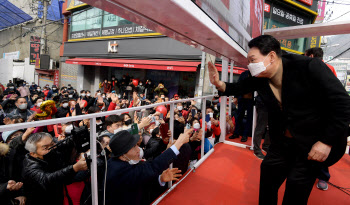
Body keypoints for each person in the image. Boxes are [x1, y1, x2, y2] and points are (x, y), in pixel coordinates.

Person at [208, 35, 350, 205]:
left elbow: (344, 104)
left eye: (252, 60)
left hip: (311, 145)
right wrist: (218, 83)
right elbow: (239, 87)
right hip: (281, 143)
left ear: (272, 56)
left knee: (295, 191)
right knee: (267, 179)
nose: (249, 65)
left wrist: (326, 142)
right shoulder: (261, 77)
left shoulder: (309, 67)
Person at [105, 129, 191, 205]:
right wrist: (179, 143)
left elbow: (140, 181)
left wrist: (160, 179)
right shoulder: (120, 171)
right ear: (123, 155)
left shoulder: (116, 163)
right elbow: (152, 166)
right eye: (134, 146)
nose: (138, 149)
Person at [23, 132, 88, 205]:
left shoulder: (51, 154)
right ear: (33, 154)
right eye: (45, 148)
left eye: (52, 144)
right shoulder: (30, 168)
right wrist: (74, 168)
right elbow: (47, 179)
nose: (51, 149)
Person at [305, 47, 337, 191]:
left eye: (306, 56)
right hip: (310, 114)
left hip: (323, 115)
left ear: (311, 55)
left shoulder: (328, 68)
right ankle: (310, 174)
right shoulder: (307, 67)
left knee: (322, 146)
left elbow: (336, 94)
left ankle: (323, 176)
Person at [252, 94, 270, 160]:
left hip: (273, 104)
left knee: (271, 128)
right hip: (263, 103)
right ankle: (256, 150)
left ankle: (266, 146)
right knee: (261, 127)